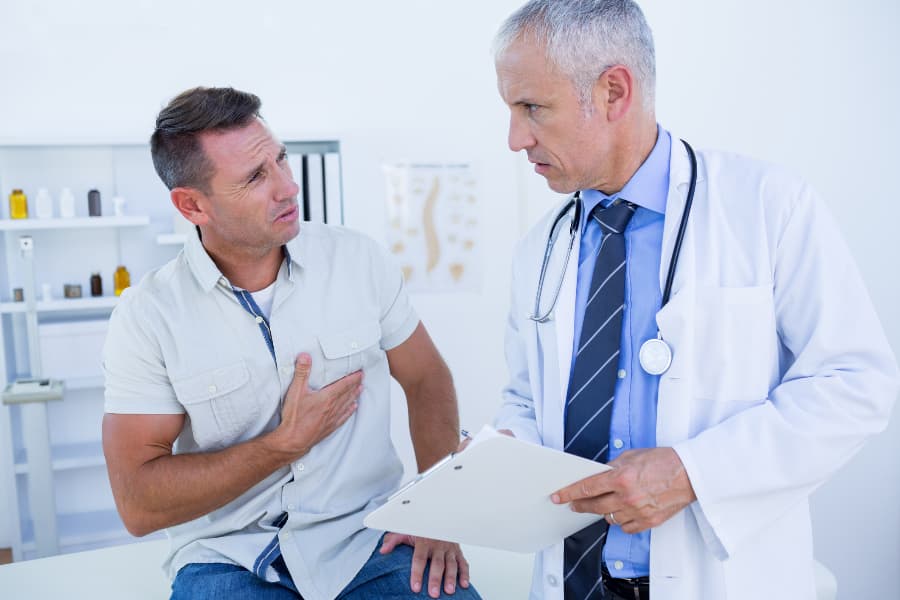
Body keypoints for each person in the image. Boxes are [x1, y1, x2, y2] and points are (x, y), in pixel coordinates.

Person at [491, 1, 899, 599]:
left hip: (719, 578)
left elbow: (854, 383)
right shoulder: (541, 248)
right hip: (576, 581)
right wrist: (507, 453)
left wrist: (695, 473)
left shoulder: (766, 208)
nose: (515, 139)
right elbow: (525, 396)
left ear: (613, 91)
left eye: (532, 108)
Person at [102, 86, 480, 600]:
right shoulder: (147, 315)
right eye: (256, 177)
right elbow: (139, 504)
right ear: (192, 205)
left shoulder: (358, 261)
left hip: (367, 539)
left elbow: (426, 377)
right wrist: (281, 446)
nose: (287, 187)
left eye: (280, 159)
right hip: (228, 557)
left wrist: (440, 506)